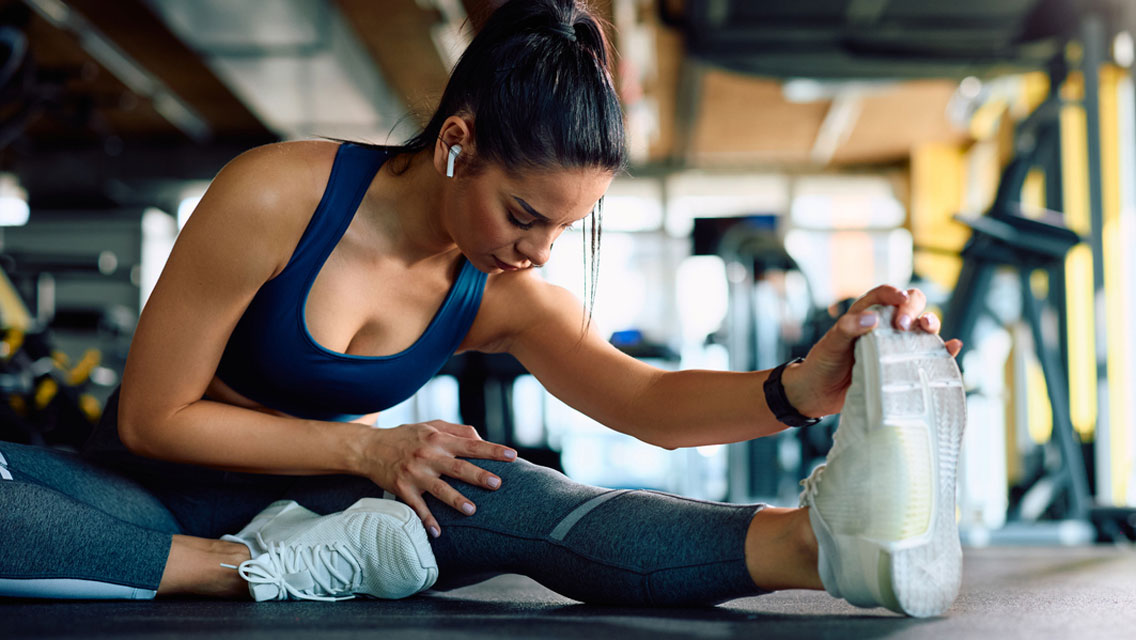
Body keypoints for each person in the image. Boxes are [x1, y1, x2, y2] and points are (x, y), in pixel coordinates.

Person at [0, 0, 965, 616]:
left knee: (523, 496)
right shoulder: (273, 196)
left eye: (566, 230)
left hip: (327, 511)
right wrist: (367, 448)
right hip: (141, 493)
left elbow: (648, 405)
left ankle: (819, 542)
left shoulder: (499, 293)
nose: (538, 249)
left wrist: (803, 388)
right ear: (458, 142)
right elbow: (151, 417)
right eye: (523, 214)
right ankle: (243, 570)